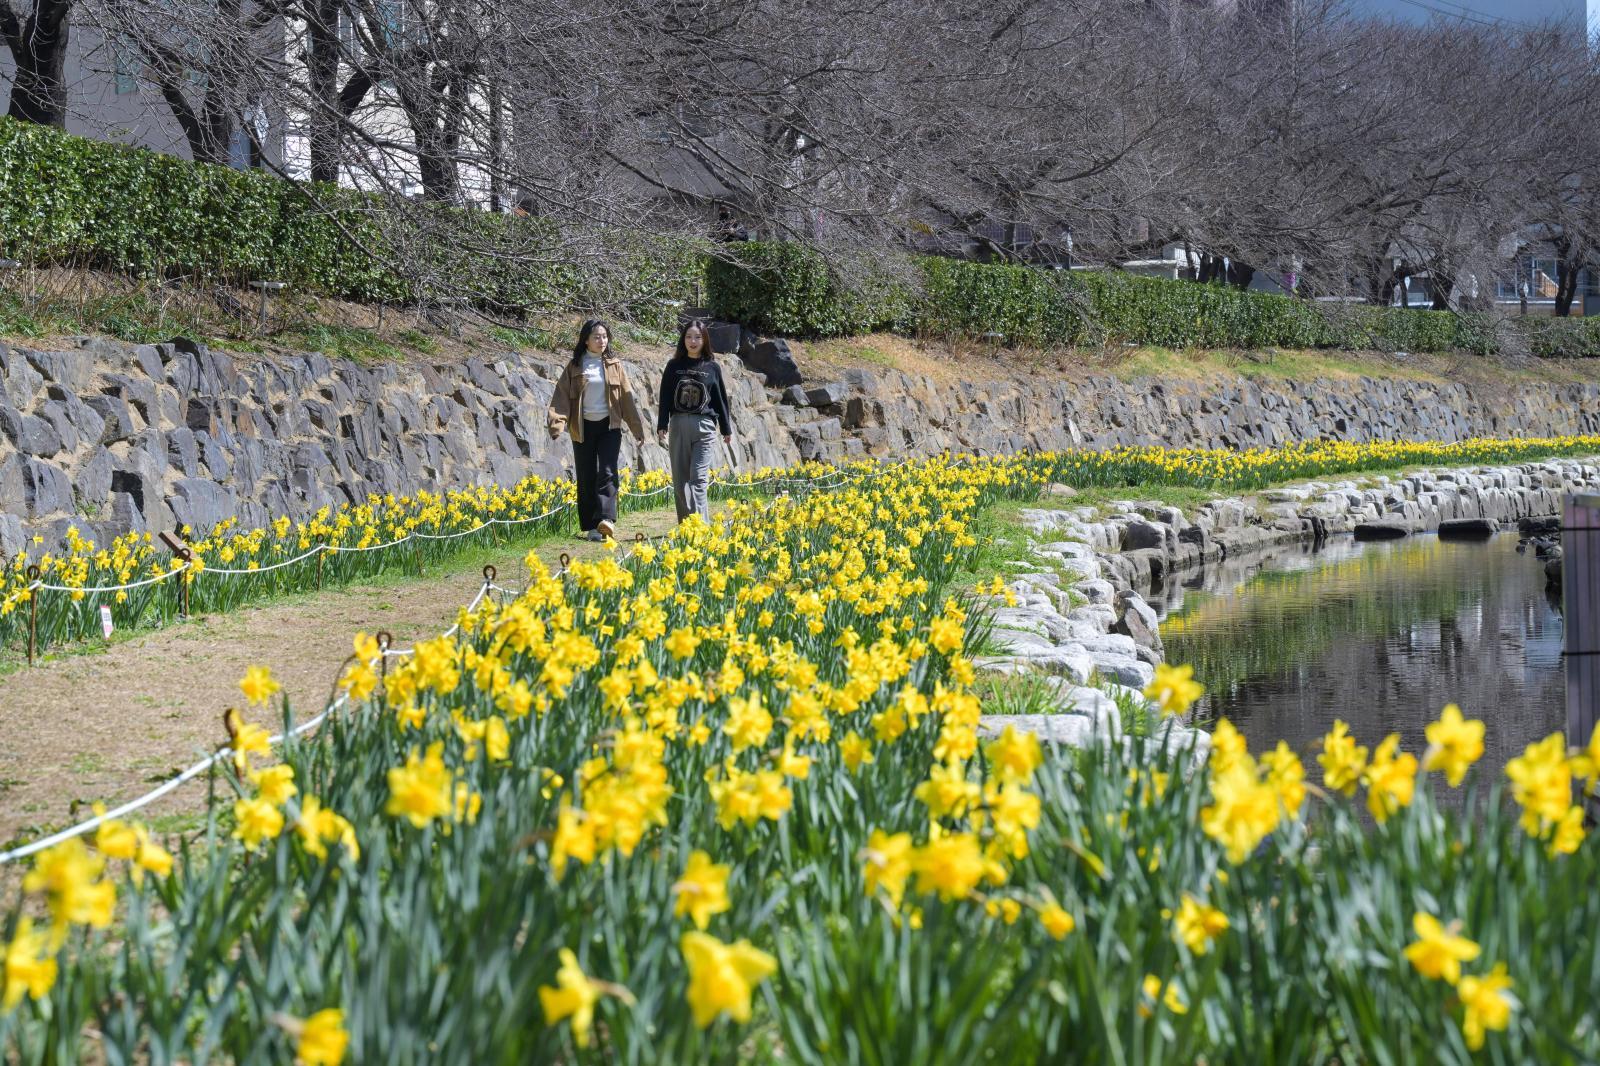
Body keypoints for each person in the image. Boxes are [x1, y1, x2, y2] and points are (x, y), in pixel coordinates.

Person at [547, 320, 646, 541]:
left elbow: (627, 399)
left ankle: (606, 519)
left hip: (610, 425)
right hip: (582, 427)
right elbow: (561, 397)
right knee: (586, 475)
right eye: (596, 337)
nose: (601, 341)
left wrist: (636, 428)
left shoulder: (614, 365)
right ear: (586, 340)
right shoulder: (575, 366)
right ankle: (592, 526)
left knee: (608, 471)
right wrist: (557, 423)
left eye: (604, 336)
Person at [657, 320, 733, 525]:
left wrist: (726, 428)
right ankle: (686, 526)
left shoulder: (712, 368)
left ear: (704, 339)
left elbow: (720, 399)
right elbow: (664, 396)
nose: (693, 341)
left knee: (699, 479)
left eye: (698, 337)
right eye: (689, 336)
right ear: (683, 339)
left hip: (705, 427)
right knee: (681, 481)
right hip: (679, 425)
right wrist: (662, 423)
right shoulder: (674, 366)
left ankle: (701, 527)